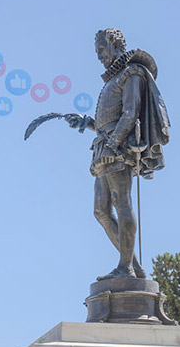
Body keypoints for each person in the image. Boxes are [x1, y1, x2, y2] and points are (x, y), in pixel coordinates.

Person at [66, 28, 170, 281]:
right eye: (97, 51)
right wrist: (88, 123)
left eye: (102, 49)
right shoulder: (112, 79)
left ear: (115, 44)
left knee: (122, 203)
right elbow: (107, 121)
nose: (99, 56)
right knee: (100, 211)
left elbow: (130, 113)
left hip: (118, 148)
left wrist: (114, 144)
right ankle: (134, 267)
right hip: (105, 147)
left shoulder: (131, 73)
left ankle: (126, 267)